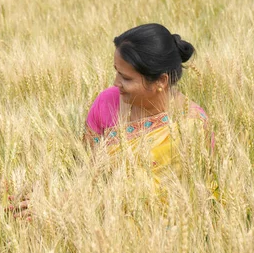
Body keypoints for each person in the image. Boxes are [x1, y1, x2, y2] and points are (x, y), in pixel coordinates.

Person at [84, 23, 211, 184]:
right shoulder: (106, 102)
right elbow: (85, 171)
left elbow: (202, 187)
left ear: (160, 81)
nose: (116, 83)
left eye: (127, 78)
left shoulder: (193, 125)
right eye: (116, 71)